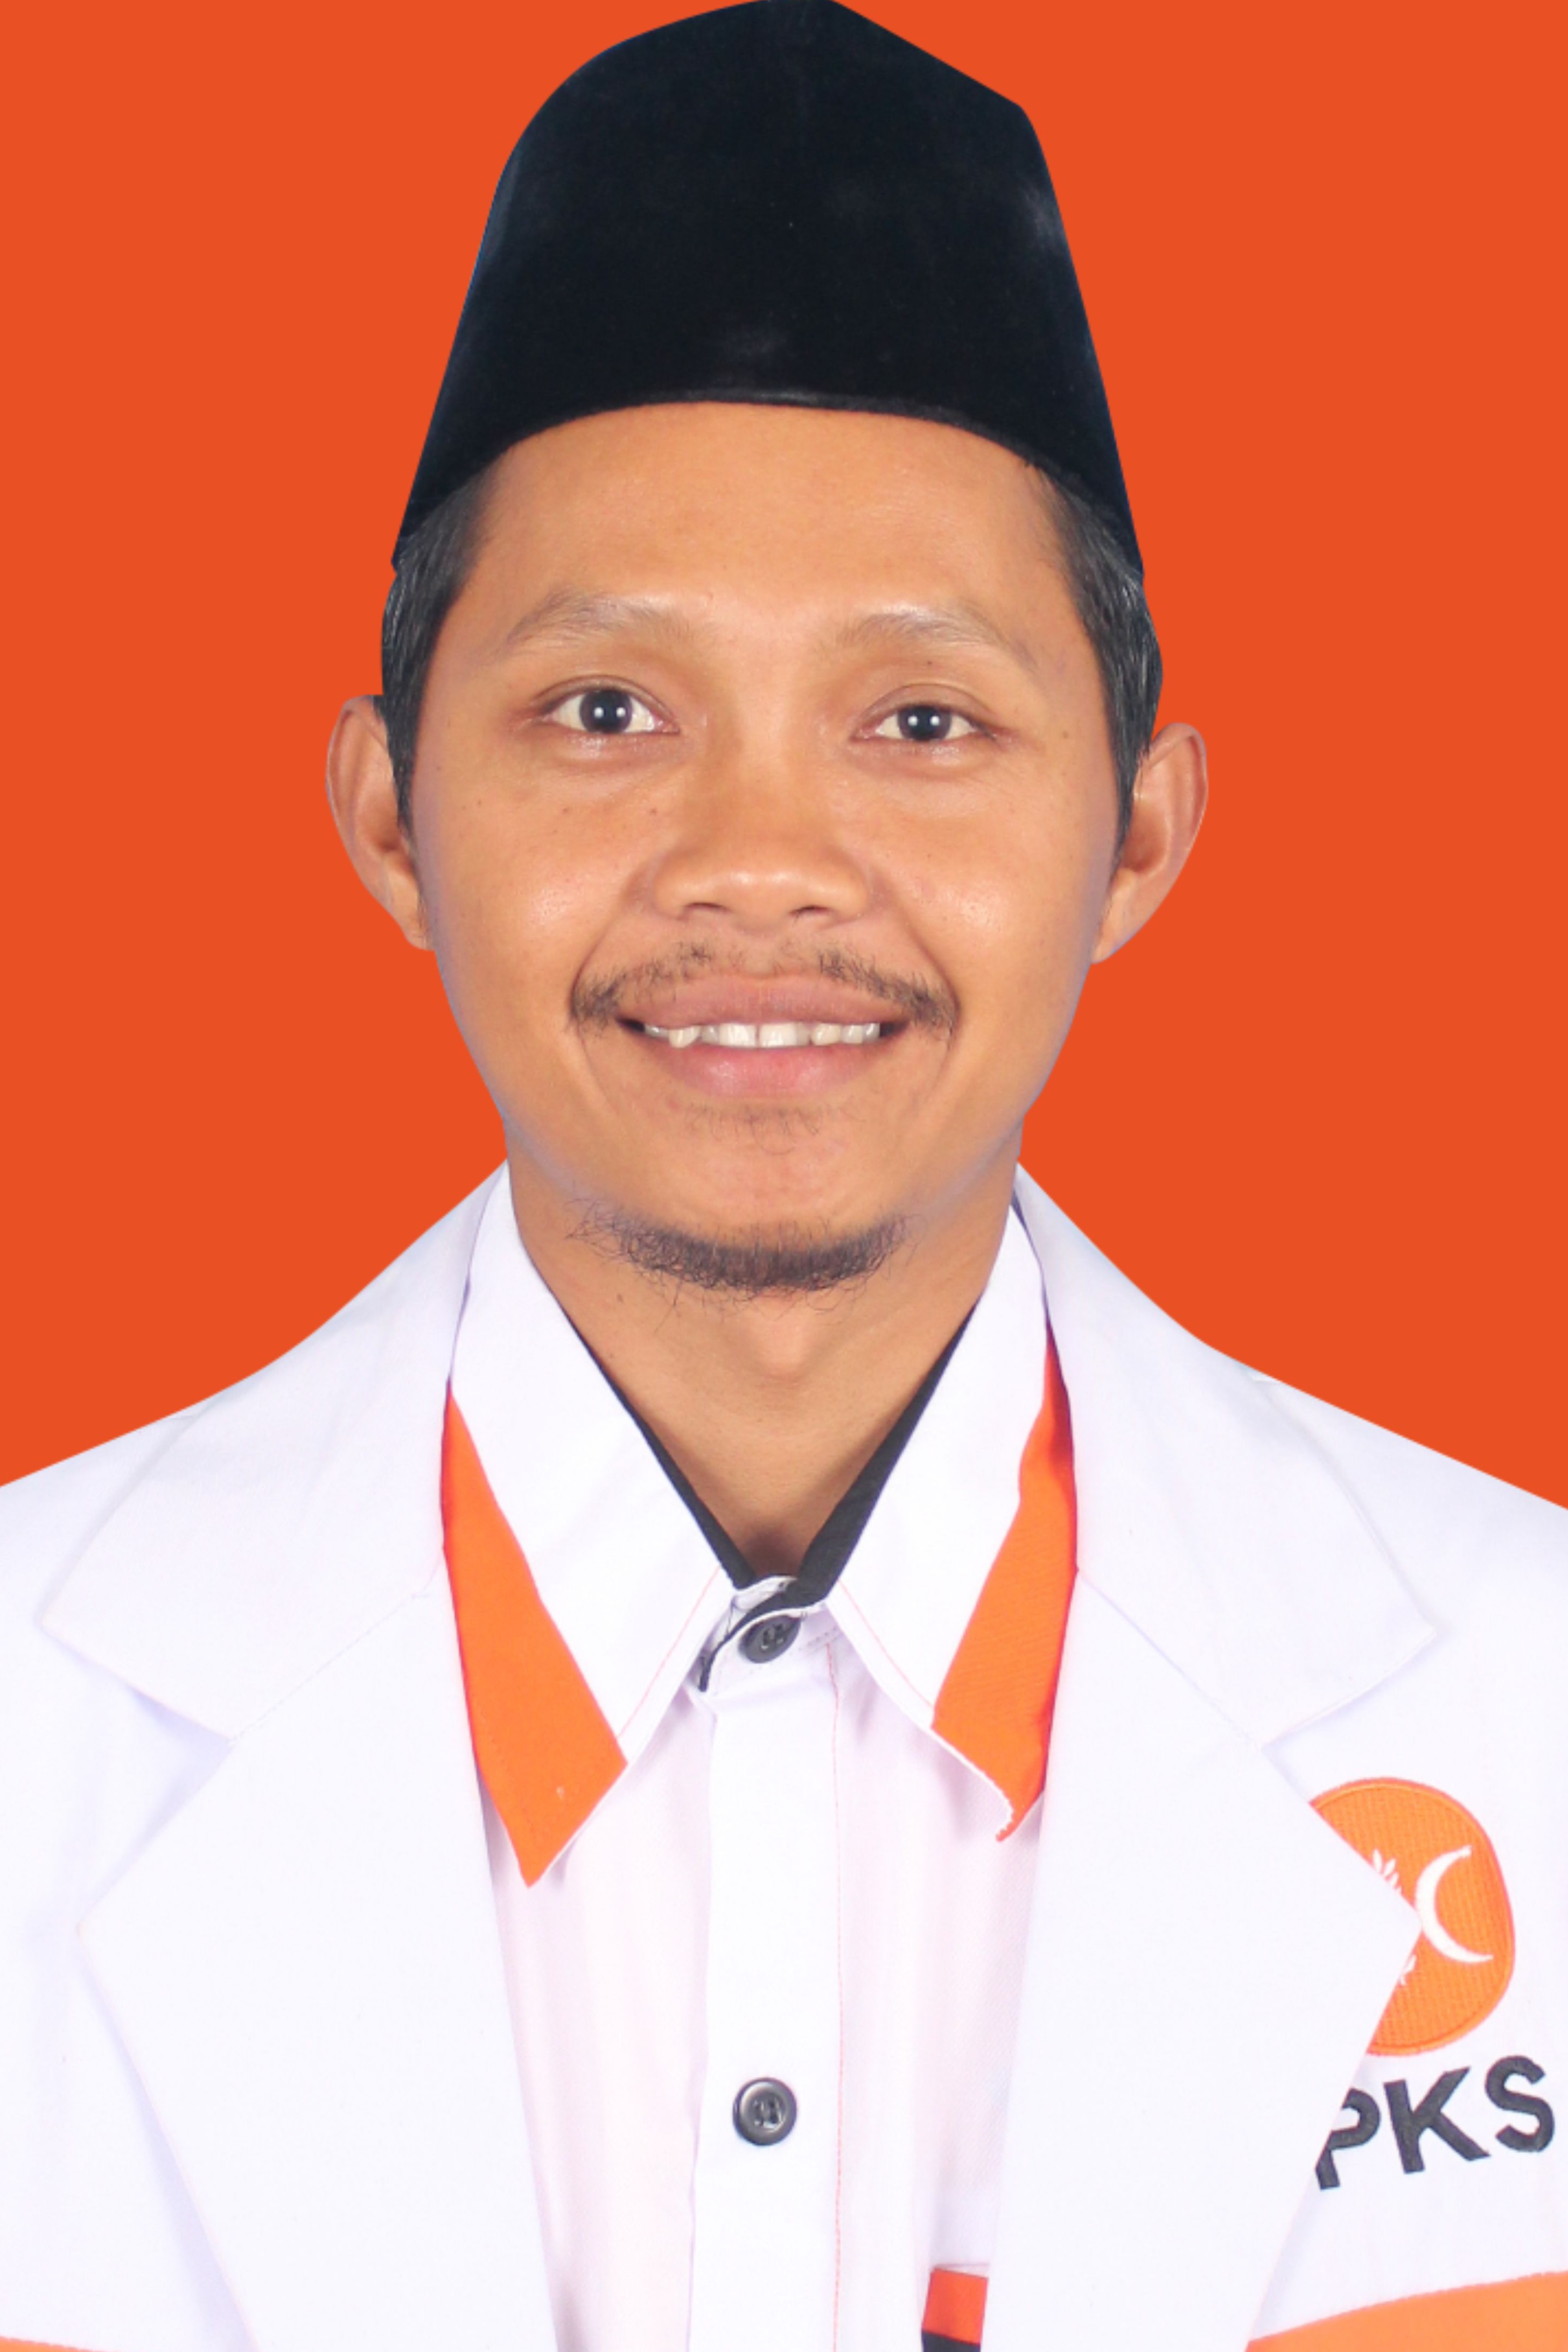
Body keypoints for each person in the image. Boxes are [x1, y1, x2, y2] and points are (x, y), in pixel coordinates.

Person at [1, 4, 1564, 2349]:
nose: (757, 863)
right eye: (604, 712)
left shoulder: (1529, 1707)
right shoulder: (29, 1728)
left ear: (1138, 835)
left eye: (922, 720)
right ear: (391, 819)